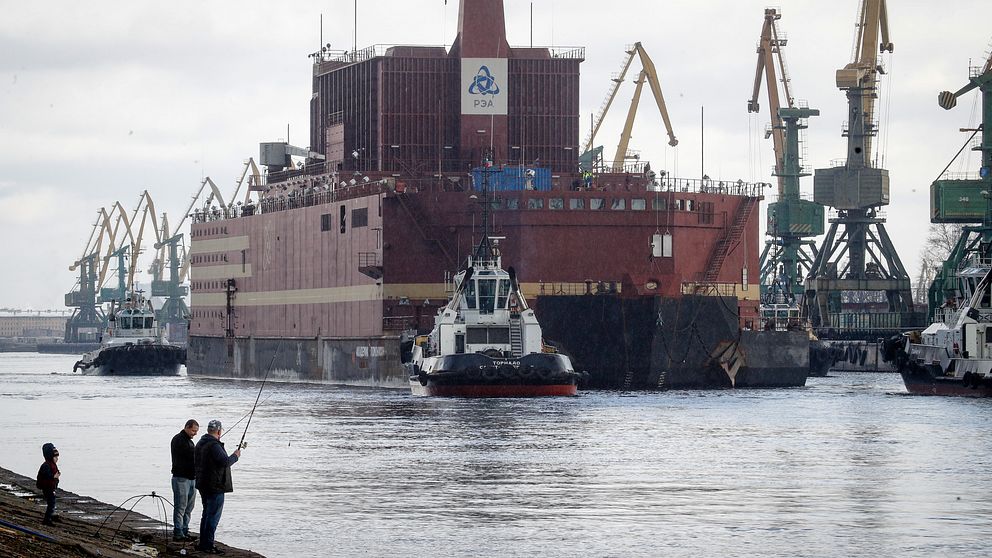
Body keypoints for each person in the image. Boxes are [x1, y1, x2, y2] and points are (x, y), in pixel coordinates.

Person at [194, 420, 241, 555]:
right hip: (215, 486)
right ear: (219, 431)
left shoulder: (201, 443)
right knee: (213, 516)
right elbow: (225, 462)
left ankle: (203, 544)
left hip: (203, 484)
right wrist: (235, 456)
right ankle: (208, 545)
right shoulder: (214, 446)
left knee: (206, 514)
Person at [171, 419, 199, 542]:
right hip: (181, 478)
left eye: (196, 431)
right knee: (180, 506)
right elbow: (190, 454)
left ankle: (185, 530)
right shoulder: (178, 439)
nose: (195, 433)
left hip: (192, 478)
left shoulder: (190, 442)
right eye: (193, 430)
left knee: (189, 507)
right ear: (187, 427)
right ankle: (178, 532)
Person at [36, 443, 60, 525]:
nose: (57, 459)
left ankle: (50, 515)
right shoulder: (46, 465)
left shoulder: (52, 465)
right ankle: (47, 519)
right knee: (51, 502)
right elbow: (48, 476)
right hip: (47, 487)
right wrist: (54, 476)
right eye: (56, 457)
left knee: (52, 502)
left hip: (51, 487)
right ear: (51, 457)